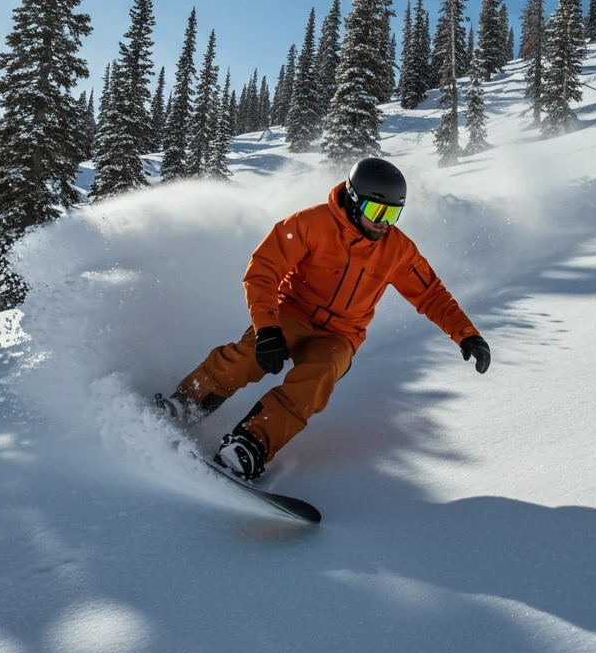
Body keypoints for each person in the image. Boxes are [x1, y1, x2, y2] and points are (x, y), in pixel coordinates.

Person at [156, 157, 490, 479]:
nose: (383, 222)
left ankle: (250, 445)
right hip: (292, 312)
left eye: (393, 214)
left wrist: (466, 334)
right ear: (355, 200)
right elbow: (263, 270)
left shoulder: (398, 250)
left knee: (316, 379)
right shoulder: (310, 224)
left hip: (341, 334)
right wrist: (267, 328)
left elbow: (431, 294)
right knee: (249, 357)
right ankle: (189, 399)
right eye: (376, 211)